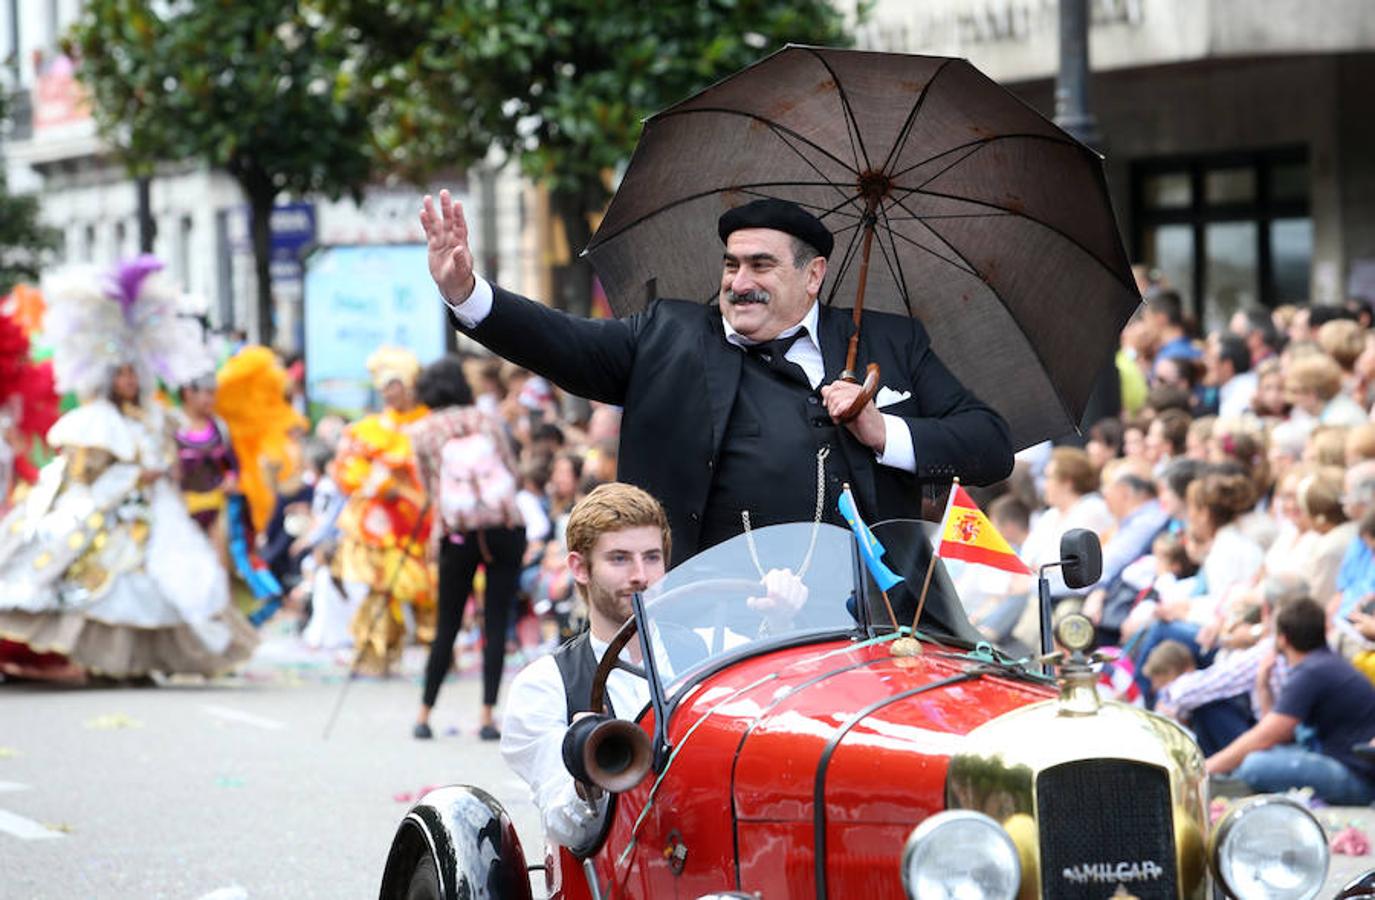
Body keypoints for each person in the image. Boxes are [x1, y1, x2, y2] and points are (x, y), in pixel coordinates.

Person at [421, 191, 1013, 559]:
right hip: (706, 619)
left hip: (867, 622)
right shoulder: (668, 334)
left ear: (814, 276)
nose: (738, 280)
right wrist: (468, 294)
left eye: (761, 264)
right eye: (731, 264)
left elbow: (989, 446)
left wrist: (885, 433)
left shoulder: (890, 340)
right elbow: (564, 343)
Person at [0, 258, 257, 681]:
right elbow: (84, 474)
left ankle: (142, 664)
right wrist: (135, 477)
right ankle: (107, 664)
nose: (128, 382)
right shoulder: (95, 420)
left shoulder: (154, 418)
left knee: (173, 582)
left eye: (132, 374)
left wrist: (167, 475)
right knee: (112, 586)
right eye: (120, 375)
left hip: (156, 515)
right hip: (108, 518)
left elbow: (175, 460)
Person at [500, 482, 670, 847]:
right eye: (620, 558)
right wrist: (587, 776)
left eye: (652, 557)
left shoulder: (711, 649)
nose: (640, 575)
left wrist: (783, 621)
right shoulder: (545, 684)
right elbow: (567, 829)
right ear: (579, 567)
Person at [407, 356, 527, 741]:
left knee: (448, 623)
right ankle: (488, 716)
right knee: (496, 621)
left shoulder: (423, 432)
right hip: (505, 528)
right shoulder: (487, 421)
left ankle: (425, 714)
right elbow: (514, 473)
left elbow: (431, 492)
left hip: (457, 534)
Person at [1205, 598, 1375, 805]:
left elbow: (1268, 735)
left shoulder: (1312, 671)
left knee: (1254, 764)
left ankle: (1224, 784)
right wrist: (1263, 687)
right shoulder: (1321, 662)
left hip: (1358, 779)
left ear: (1283, 639)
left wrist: (1207, 768)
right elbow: (1278, 734)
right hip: (1339, 760)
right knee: (1261, 755)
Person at [331, 346, 434, 676]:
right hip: (380, 524)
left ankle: (438, 652)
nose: (387, 391)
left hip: (421, 520)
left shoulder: (430, 424)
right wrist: (378, 484)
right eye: (384, 385)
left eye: (394, 383)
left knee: (430, 589)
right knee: (381, 588)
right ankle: (374, 653)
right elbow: (347, 471)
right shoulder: (367, 430)